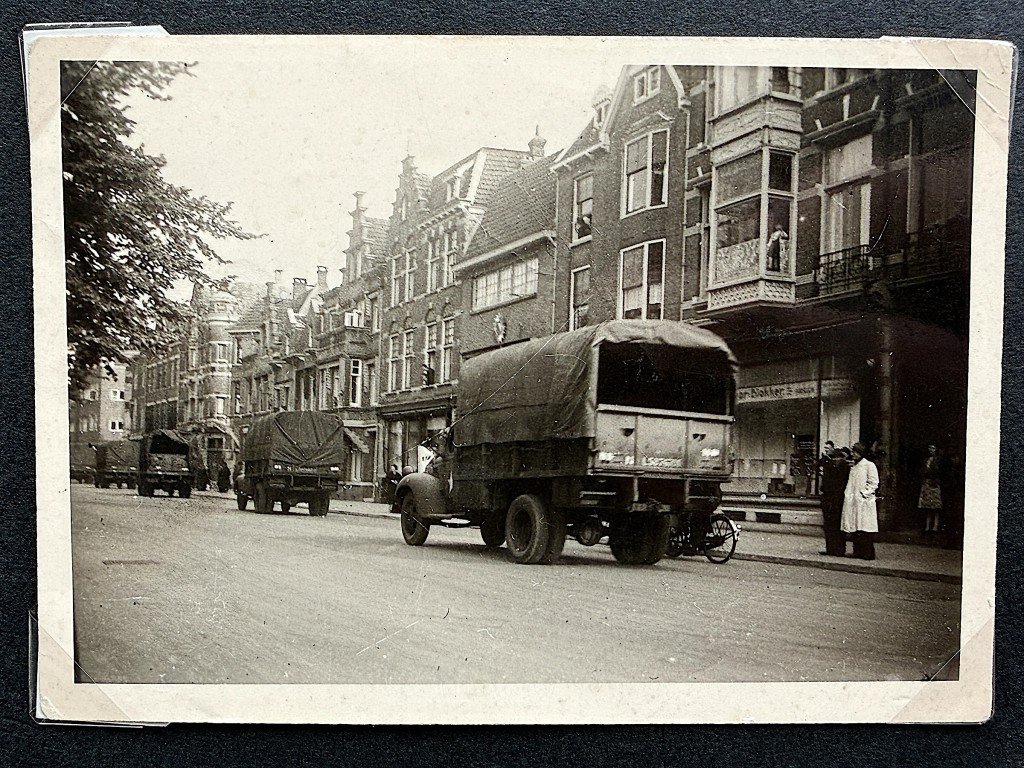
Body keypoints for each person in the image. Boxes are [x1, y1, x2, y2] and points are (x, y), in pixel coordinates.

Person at [841, 442, 879, 560]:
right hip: (854, 502)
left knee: (865, 528)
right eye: (853, 452)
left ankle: (867, 553)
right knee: (856, 528)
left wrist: (864, 493)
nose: (854, 454)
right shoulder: (854, 466)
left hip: (864, 501)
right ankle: (857, 552)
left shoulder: (869, 465)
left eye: (856, 452)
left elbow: (874, 482)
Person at [818, 441, 850, 556]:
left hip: (837, 499)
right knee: (828, 525)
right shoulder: (827, 465)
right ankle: (830, 549)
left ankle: (839, 549)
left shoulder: (843, 468)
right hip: (828, 498)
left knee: (837, 525)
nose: (836, 460)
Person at [918, 444, 943, 537]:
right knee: (927, 506)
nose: (931, 450)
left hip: (934, 484)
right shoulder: (926, 460)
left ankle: (935, 526)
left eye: (933, 448)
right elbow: (922, 470)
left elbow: (937, 471)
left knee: (935, 507)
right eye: (930, 448)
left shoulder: (938, 460)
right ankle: (927, 526)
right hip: (926, 483)